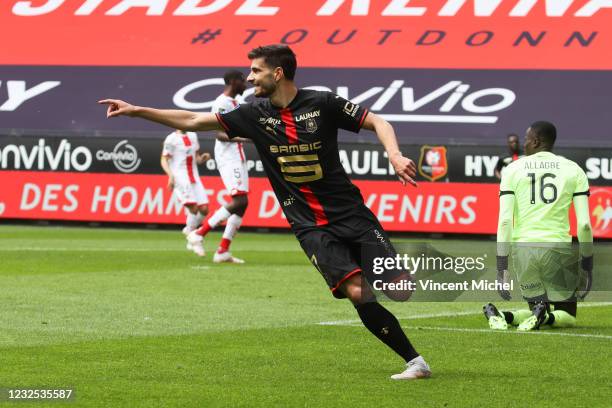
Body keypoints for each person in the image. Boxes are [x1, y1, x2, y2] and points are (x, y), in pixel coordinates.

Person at [99, 44, 431, 380]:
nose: (249, 77)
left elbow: (378, 121)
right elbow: (193, 119)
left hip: (351, 214)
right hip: (309, 225)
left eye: (256, 71)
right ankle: (415, 362)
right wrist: (135, 110)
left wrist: (394, 155)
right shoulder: (253, 115)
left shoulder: (323, 103)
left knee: (401, 289)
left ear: (278, 73)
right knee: (358, 291)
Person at [485, 121, 593, 331]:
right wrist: (587, 266)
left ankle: (503, 315)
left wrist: (502, 267)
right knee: (568, 315)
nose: (524, 144)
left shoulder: (512, 169)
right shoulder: (573, 169)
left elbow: (505, 220)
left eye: (526, 139)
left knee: (538, 305)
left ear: (535, 141)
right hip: (558, 249)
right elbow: (585, 225)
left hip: (523, 252)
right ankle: (544, 318)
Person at [190, 70, 250, 264]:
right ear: (233, 81)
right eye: (243, 80)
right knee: (239, 201)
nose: (246, 83)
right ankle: (199, 232)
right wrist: (248, 137)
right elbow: (219, 134)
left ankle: (223, 251)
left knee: (243, 203)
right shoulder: (221, 103)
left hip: (237, 156)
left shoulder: (235, 103)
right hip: (228, 157)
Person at [160, 130, 211, 255]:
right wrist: (170, 176)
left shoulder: (193, 135)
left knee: (204, 209)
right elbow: (164, 159)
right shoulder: (171, 139)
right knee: (193, 209)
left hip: (194, 177)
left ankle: (189, 231)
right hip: (180, 177)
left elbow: (197, 158)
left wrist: (202, 158)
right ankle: (192, 235)